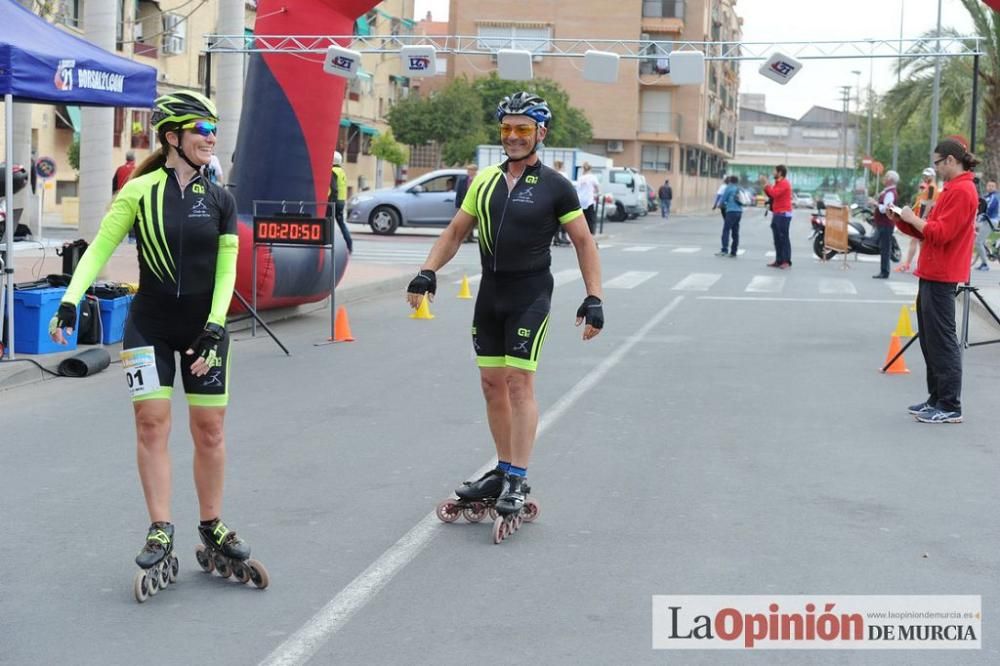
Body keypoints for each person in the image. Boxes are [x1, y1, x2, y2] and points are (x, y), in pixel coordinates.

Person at [47, 91, 265, 592]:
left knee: (209, 429)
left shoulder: (221, 199)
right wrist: (70, 298)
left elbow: (228, 267)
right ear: (173, 138)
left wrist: (215, 325)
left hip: (203, 329)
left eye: (214, 130)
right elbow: (99, 247)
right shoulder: (139, 191)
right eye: (201, 130)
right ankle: (161, 528)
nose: (211, 138)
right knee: (151, 424)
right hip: (148, 325)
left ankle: (211, 523)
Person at [406, 91, 603, 517]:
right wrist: (428, 271)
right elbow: (456, 232)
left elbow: (584, 241)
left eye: (523, 129)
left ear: (540, 133)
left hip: (531, 293)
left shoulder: (557, 187)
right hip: (491, 294)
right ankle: (502, 467)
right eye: (507, 129)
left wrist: (594, 297)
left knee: (518, 382)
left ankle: (518, 476)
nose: (513, 137)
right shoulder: (485, 181)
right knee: (491, 384)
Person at [891, 137, 979, 424]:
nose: (936, 169)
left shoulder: (963, 191)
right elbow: (929, 231)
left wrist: (912, 220)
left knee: (942, 340)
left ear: (951, 160)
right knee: (930, 339)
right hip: (932, 271)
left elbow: (941, 233)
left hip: (943, 274)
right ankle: (936, 398)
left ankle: (950, 404)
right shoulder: (951, 189)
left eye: (938, 163)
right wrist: (902, 219)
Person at [897, 168, 938, 273]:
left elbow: (930, 202)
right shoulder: (927, 186)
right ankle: (911, 264)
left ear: (932, 176)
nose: (925, 177)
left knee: (920, 241)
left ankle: (917, 265)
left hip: (924, 214)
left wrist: (923, 217)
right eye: (924, 175)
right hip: (920, 213)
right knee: (917, 240)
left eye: (927, 175)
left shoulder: (932, 187)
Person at [760, 165, 793, 268]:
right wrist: (766, 186)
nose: (773, 173)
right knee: (777, 238)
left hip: (783, 214)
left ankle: (786, 261)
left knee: (783, 238)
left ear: (780, 172)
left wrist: (766, 184)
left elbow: (774, 194)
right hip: (777, 213)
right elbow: (771, 194)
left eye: (774, 171)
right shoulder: (778, 183)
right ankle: (779, 260)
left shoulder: (784, 183)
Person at [869, 170, 899, 279]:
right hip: (884, 223)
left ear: (890, 180)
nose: (884, 178)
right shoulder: (887, 192)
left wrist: (875, 203)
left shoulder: (890, 193)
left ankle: (884, 271)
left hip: (886, 224)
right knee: (883, 247)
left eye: (886, 177)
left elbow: (885, 209)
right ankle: (884, 270)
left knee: (885, 248)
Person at [327, 150, 353, 253]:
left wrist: (330, 202)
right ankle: (349, 245)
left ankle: (328, 245)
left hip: (334, 202)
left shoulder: (332, 171)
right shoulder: (342, 172)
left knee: (326, 223)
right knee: (341, 224)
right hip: (341, 202)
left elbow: (334, 188)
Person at [972, 180, 997, 271]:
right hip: (985, 221)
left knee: (978, 242)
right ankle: (983, 261)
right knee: (980, 241)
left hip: (990, 221)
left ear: (995, 187)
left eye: (992, 186)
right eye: (989, 185)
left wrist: (979, 219)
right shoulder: (987, 196)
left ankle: (985, 264)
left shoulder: (994, 197)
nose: (990, 187)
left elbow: (987, 209)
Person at [716, 175, 742, 257]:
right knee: (735, 231)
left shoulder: (729, 188)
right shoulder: (738, 188)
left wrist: (719, 205)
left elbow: (723, 200)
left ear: (730, 181)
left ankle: (724, 249)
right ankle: (734, 251)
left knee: (726, 230)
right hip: (739, 212)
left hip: (731, 211)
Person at [454, 164, 478, 243]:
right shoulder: (462, 180)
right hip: (464, 203)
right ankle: (464, 237)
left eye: (472, 170)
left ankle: (470, 237)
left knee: (472, 222)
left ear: (475, 171)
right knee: (463, 222)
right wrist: (457, 205)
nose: (470, 172)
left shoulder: (478, 180)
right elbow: (459, 193)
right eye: (468, 170)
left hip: (475, 203)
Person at [575, 161, 600, 237]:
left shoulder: (580, 178)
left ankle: (581, 233)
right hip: (589, 200)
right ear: (590, 169)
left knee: (582, 218)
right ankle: (590, 235)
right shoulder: (592, 177)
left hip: (580, 200)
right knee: (590, 218)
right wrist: (598, 193)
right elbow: (597, 188)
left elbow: (577, 189)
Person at [551, 159, 571, 246]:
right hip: (561, 199)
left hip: (552, 198)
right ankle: (562, 237)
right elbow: (567, 186)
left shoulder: (551, 174)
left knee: (555, 220)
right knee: (562, 219)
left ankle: (556, 238)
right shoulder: (564, 174)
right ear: (561, 166)